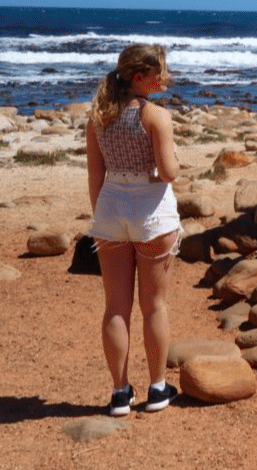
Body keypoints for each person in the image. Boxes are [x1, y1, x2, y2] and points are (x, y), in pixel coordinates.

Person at [85, 44, 181, 416]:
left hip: (110, 209)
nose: (166, 78)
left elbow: (96, 175)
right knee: (154, 305)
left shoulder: (98, 116)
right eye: (161, 73)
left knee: (115, 308)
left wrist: (102, 218)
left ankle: (119, 393)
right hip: (150, 211)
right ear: (140, 77)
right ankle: (158, 388)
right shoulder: (155, 116)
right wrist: (170, 164)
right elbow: (169, 172)